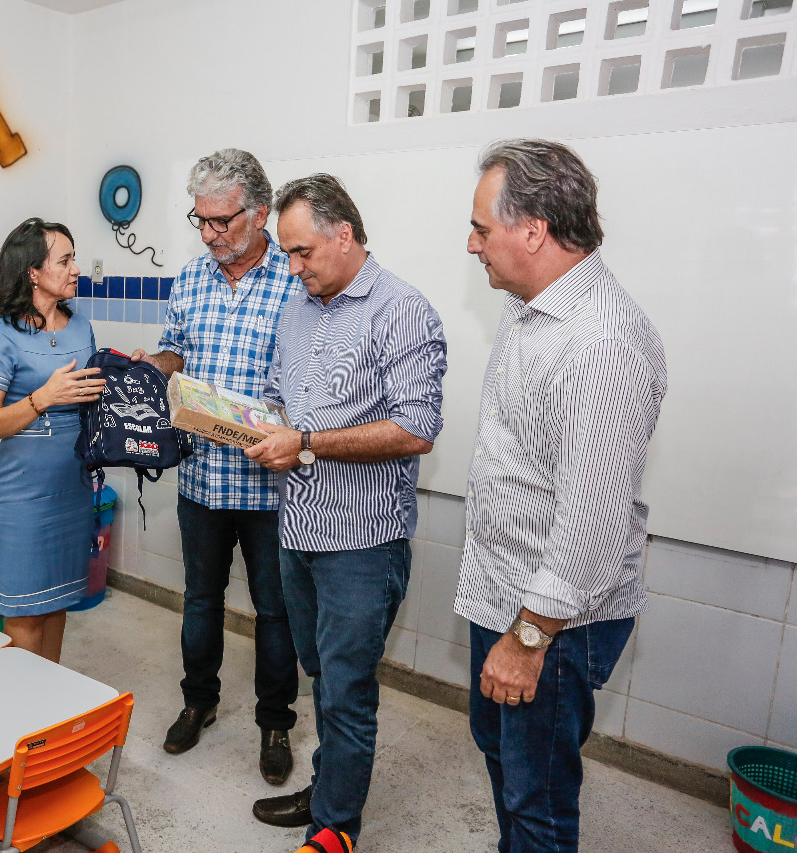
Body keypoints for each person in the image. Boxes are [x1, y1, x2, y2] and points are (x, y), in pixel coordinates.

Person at [457, 139, 667, 853]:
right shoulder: (530, 308)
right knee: (505, 760)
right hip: (505, 595)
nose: (472, 244)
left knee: (537, 798)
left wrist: (527, 641)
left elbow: (591, 523)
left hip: (552, 621)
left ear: (533, 231)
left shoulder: (603, 344)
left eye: (481, 228)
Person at [246, 174, 447, 851]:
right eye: (286, 254)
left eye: (302, 252)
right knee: (322, 675)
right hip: (297, 529)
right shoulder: (297, 310)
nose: (292, 268)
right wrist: (254, 428)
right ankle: (329, 791)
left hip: (363, 543)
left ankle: (335, 829)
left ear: (345, 234)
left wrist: (304, 441)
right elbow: (279, 397)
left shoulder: (401, 309)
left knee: (348, 689)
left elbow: (416, 428)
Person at [130, 148, 302, 785]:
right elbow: (177, 348)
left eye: (221, 221)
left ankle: (275, 723)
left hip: (271, 486)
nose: (208, 233)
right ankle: (198, 702)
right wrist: (158, 366)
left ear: (260, 214)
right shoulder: (191, 278)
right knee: (200, 601)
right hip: (203, 477)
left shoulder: (296, 280)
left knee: (275, 612)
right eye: (200, 220)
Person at [0, 217, 106, 662]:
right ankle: (23, 703)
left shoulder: (80, 326)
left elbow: (90, 396)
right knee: (26, 615)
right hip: (23, 499)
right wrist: (43, 398)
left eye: (73, 259)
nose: (75, 269)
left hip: (73, 489)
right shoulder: (1, 334)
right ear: (33, 271)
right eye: (64, 261)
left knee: (57, 604)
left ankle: (52, 698)